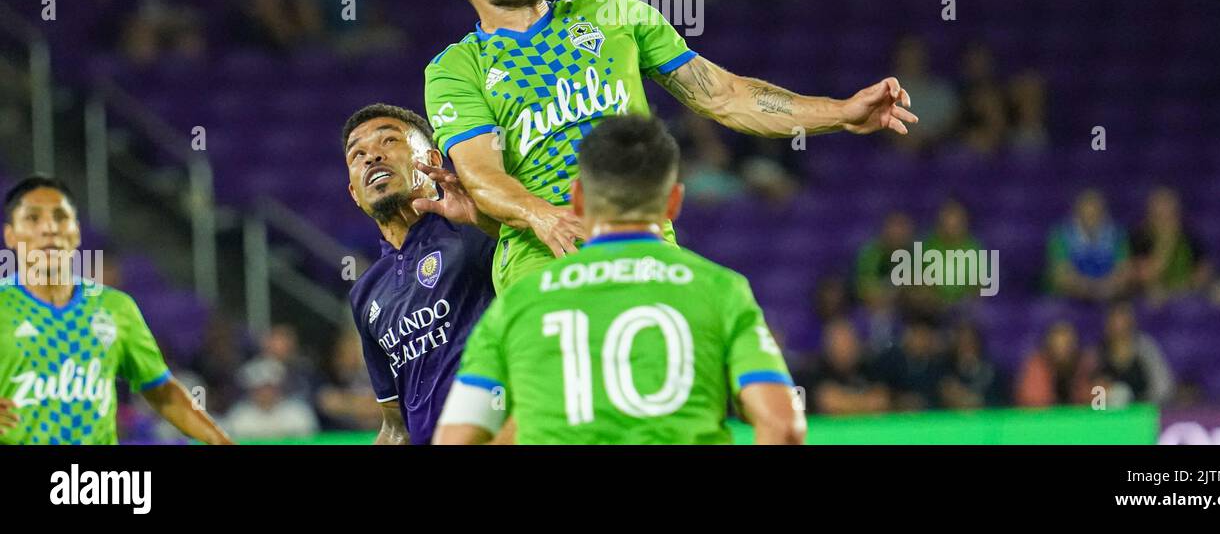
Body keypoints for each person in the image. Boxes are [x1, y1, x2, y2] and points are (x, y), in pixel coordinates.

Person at [425, 0, 916, 293]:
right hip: (544, 263)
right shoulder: (457, 69)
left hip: (646, 250)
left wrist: (840, 113)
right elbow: (481, 174)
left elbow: (724, 96)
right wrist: (543, 216)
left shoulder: (612, 13)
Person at [434, 115, 805, 445]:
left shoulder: (520, 300)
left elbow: (456, 437)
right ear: (674, 202)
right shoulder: (721, 290)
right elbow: (783, 425)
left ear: (578, 198)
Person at [0, 176, 232, 445]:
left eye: (60, 218)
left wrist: (220, 440)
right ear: (10, 236)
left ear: (75, 233)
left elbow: (161, 392)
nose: (49, 229)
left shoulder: (116, 307)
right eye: (33, 219)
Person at [342, 103, 497, 445]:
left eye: (389, 141)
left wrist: (490, 222)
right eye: (357, 154)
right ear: (354, 193)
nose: (372, 157)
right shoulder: (365, 293)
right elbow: (397, 427)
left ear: (433, 160)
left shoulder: (479, 231)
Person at [1130, 186, 1220, 307]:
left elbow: (1203, 268)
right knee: (1154, 295)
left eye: (1169, 211)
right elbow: (1146, 275)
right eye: (1160, 212)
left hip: (1186, 288)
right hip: (1154, 291)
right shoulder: (1140, 237)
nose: (1165, 217)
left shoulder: (1188, 236)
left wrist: (1193, 282)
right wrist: (1167, 244)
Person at [1046, 188, 1132, 302]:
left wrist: (1107, 287)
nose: (1092, 217)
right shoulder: (1060, 235)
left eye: (1096, 212)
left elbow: (1123, 271)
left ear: (1103, 212)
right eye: (1086, 213)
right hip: (1070, 298)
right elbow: (1060, 275)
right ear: (1077, 212)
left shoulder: (1118, 235)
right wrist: (1087, 288)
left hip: (1110, 295)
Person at [1094, 302, 1175, 408]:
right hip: (1108, 412)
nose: (1119, 325)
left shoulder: (1145, 348)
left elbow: (1163, 386)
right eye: (1114, 319)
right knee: (1118, 393)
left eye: (1122, 319)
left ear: (1131, 322)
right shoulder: (1099, 353)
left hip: (1143, 408)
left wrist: (1145, 405)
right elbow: (1094, 391)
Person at [223, 357, 319, 441]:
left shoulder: (298, 412)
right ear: (251, 390)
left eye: (269, 387)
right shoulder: (239, 416)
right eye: (260, 388)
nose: (265, 392)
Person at [1014, 320, 1094, 407]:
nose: (1062, 350)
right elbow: (1033, 401)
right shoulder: (1036, 367)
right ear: (1049, 345)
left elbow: (1090, 400)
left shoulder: (1083, 367)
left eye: (1067, 344)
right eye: (1058, 344)